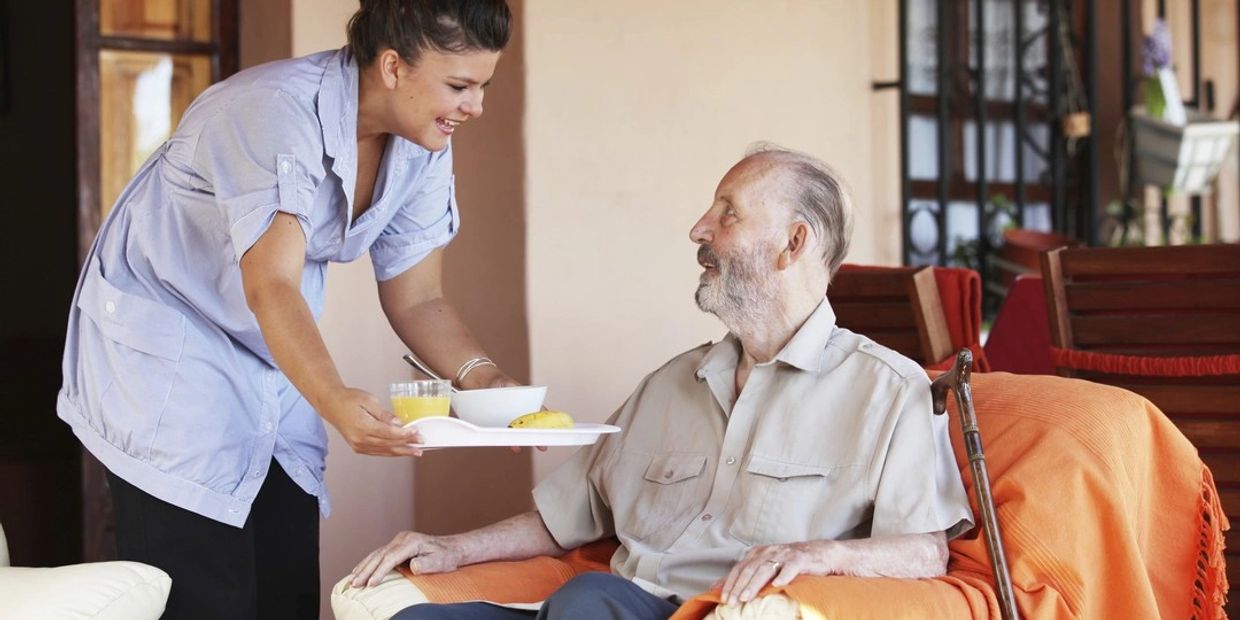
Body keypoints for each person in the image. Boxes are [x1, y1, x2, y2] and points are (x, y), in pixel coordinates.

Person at [349, 145, 974, 619]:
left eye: (727, 213)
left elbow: (924, 552)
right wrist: (454, 549)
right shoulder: (670, 383)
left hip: (712, 611)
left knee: (588, 601)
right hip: (613, 608)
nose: (700, 229)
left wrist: (825, 556)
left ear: (793, 244)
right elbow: (567, 516)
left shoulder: (888, 391)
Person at [56, 1, 517, 617]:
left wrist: (486, 383)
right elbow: (271, 283)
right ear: (392, 67)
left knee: (285, 583)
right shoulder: (271, 112)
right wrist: (334, 400)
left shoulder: (423, 141)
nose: (475, 107)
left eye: (483, 87)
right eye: (460, 86)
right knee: (202, 594)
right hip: (169, 364)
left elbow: (419, 297)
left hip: (270, 353)